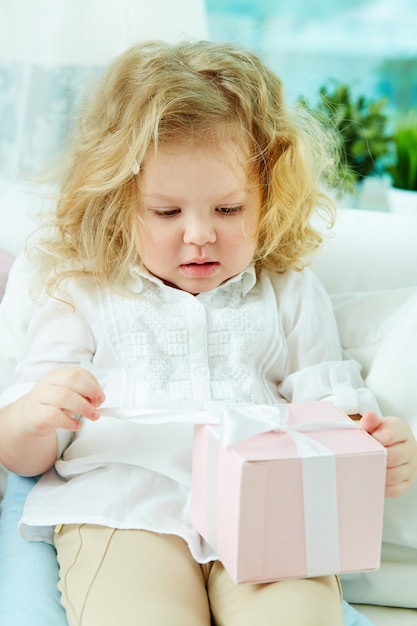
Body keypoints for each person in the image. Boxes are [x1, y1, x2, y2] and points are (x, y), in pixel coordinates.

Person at [0, 40, 416, 626]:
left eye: (227, 210)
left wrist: (376, 448)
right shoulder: (83, 291)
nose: (200, 235)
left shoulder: (288, 291)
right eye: (167, 213)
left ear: (268, 197)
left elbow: (334, 415)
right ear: (119, 203)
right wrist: (33, 417)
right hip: (125, 507)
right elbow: (20, 453)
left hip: (270, 511)